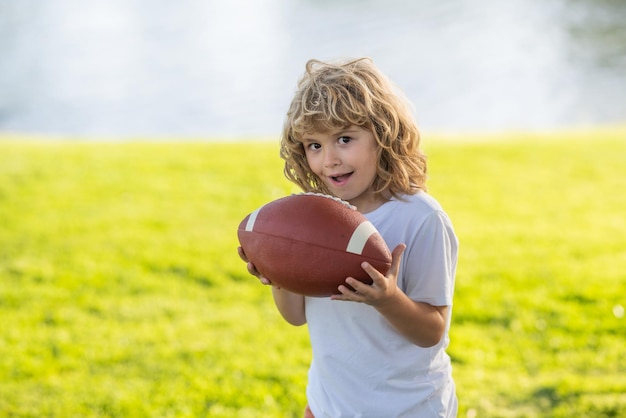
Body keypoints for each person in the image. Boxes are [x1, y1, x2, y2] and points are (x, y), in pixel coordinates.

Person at [238, 57, 459, 417]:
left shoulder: (421, 218)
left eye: (344, 139)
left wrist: (387, 299)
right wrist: (279, 272)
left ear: (384, 135)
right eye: (314, 145)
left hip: (407, 408)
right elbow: (295, 317)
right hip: (331, 406)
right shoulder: (311, 217)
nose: (329, 160)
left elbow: (431, 330)